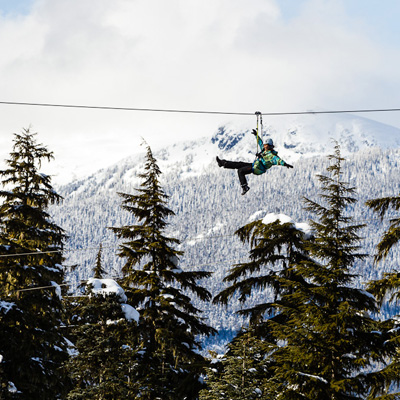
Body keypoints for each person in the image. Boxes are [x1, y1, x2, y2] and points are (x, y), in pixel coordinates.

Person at [216, 130, 293, 195]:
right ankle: (222, 163)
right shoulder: (264, 150)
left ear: (269, 146)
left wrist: (285, 164)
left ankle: (245, 187)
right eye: (265, 145)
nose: (264, 146)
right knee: (239, 164)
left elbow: (278, 160)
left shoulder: (271, 155)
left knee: (240, 171)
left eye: (266, 145)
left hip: (258, 168)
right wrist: (256, 135)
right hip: (254, 165)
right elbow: (260, 142)